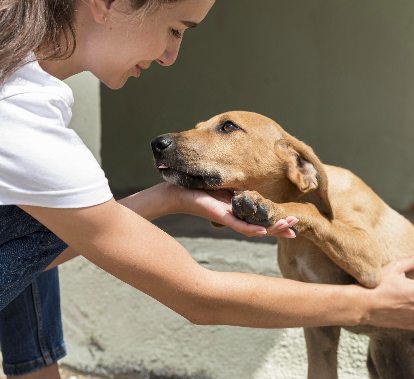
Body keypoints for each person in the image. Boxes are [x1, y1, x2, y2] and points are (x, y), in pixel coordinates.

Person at [1, 0, 414, 378]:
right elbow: (200, 297)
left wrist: (171, 197)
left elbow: (62, 244)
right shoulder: (26, 121)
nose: (170, 56)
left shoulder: (24, 92)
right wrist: (371, 307)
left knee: (41, 215)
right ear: (108, 5)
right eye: (176, 29)